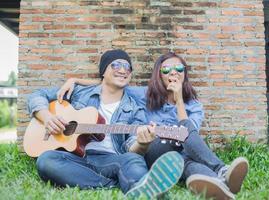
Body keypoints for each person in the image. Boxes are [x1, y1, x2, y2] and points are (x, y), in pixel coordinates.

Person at [58, 52, 249, 200]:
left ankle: (221, 185)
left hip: (179, 153)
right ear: (160, 74)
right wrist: (75, 80)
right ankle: (221, 169)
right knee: (177, 142)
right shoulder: (145, 94)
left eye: (179, 69)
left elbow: (192, 137)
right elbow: (112, 82)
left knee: (185, 159)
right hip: (153, 148)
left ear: (185, 73)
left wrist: (179, 100)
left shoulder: (194, 105)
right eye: (166, 69)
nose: (173, 73)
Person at [27, 49, 185, 199]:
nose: (123, 70)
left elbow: (131, 146)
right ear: (103, 71)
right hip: (75, 158)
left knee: (132, 160)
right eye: (116, 65)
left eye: (127, 67)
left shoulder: (135, 109)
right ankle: (112, 184)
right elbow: (37, 95)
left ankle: (142, 189)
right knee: (46, 160)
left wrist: (142, 144)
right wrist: (47, 118)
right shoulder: (80, 92)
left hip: (111, 160)